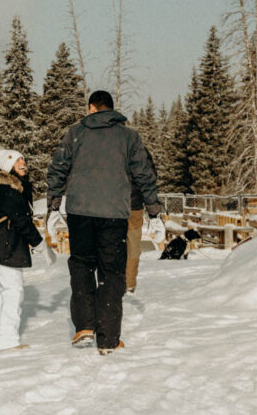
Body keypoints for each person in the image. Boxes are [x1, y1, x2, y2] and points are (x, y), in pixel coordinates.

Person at [46, 90, 161, 355]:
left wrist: (53, 205)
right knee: (111, 272)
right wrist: (154, 211)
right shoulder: (129, 137)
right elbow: (145, 175)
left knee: (82, 265)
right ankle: (108, 338)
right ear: (111, 109)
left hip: (80, 211)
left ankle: (84, 327)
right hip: (114, 213)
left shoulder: (75, 133)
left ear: (91, 108)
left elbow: (58, 168)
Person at [0, 145, 44, 352]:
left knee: (5, 291)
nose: (23, 163)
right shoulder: (8, 191)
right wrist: (40, 243)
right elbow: (22, 221)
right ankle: (6, 340)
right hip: (4, 248)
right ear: (8, 166)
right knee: (13, 291)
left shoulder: (7, 188)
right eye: (17, 161)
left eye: (24, 160)